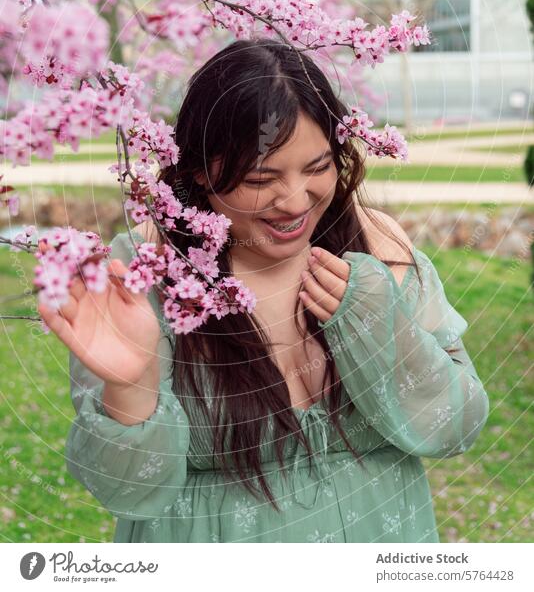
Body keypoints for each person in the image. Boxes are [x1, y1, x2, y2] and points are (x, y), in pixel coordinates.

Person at [38, 38, 490, 543]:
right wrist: (129, 386)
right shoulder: (145, 273)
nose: (295, 201)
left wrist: (382, 325)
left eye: (318, 168)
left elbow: (457, 428)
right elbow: (125, 492)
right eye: (261, 177)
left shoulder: (378, 249)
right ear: (198, 173)